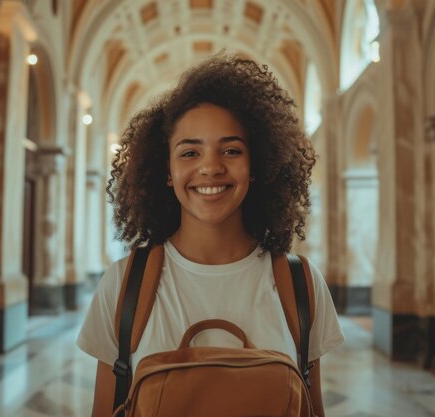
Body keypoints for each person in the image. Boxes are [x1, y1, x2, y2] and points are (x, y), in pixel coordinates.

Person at [77, 54, 345, 417]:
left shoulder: (300, 284)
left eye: (231, 150)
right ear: (167, 171)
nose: (210, 167)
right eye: (190, 152)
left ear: (256, 166)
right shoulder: (124, 285)